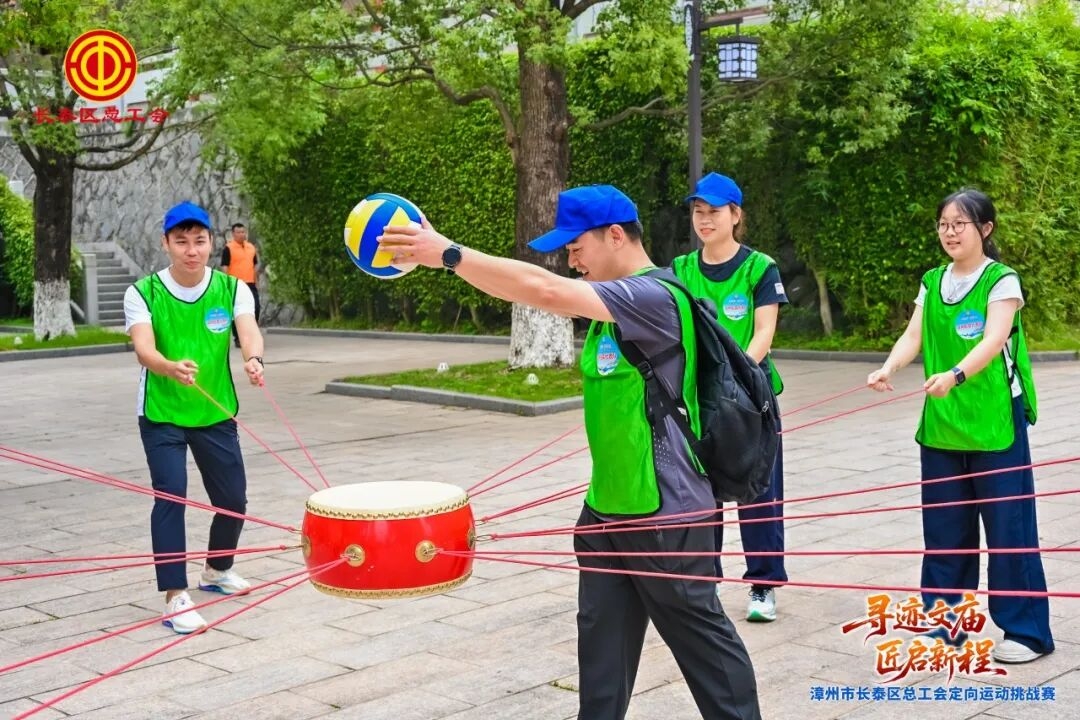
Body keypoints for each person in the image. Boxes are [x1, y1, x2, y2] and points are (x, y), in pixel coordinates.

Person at [379, 185, 760, 720]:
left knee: (703, 645)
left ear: (615, 235)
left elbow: (545, 289)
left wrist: (450, 253)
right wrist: (446, 258)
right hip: (607, 511)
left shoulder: (653, 297)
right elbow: (530, 291)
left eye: (576, 246)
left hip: (667, 515)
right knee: (602, 654)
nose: (571, 260)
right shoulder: (609, 307)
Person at [867, 188, 1053, 664]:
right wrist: (889, 367)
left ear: (985, 229)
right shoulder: (933, 281)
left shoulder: (1001, 280)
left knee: (1009, 528)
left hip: (994, 423)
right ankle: (945, 622)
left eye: (960, 224)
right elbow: (913, 334)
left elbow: (994, 339)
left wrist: (954, 374)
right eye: (944, 224)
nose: (950, 233)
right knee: (945, 529)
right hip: (942, 424)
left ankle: (1026, 631)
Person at [123, 201, 266, 634]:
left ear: (210, 242)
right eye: (181, 241)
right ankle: (175, 597)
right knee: (172, 496)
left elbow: (248, 329)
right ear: (165, 243)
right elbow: (144, 349)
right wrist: (168, 367)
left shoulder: (232, 289)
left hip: (214, 410)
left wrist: (254, 359)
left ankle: (217, 570)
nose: (191, 250)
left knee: (233, 501)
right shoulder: (143, 292)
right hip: (162, 413)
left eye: (199, 241)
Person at [671, 172, 788, 623]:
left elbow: (764, 333)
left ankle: (764, 585)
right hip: (699, 402)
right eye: (698, 212)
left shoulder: (760, 268)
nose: (705, 220)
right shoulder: (681, 269)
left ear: (736, 215)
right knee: (703, 496)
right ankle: (706, 582)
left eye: (714, 212)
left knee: (759, 493)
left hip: (750, 401)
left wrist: (735, 382)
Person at [221, 222, 260, 347]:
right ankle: (238, 338)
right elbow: (225, 267)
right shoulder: (228, 248)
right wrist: (227, 284)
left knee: (256, 308)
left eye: (243, 232)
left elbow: (254, 265)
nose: (242, 234)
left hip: (250, 283)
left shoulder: (251, 247)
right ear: (233, 234)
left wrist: (256, 281)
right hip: (235, 284)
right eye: (238, 232)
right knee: (237, 311)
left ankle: (251, 334)